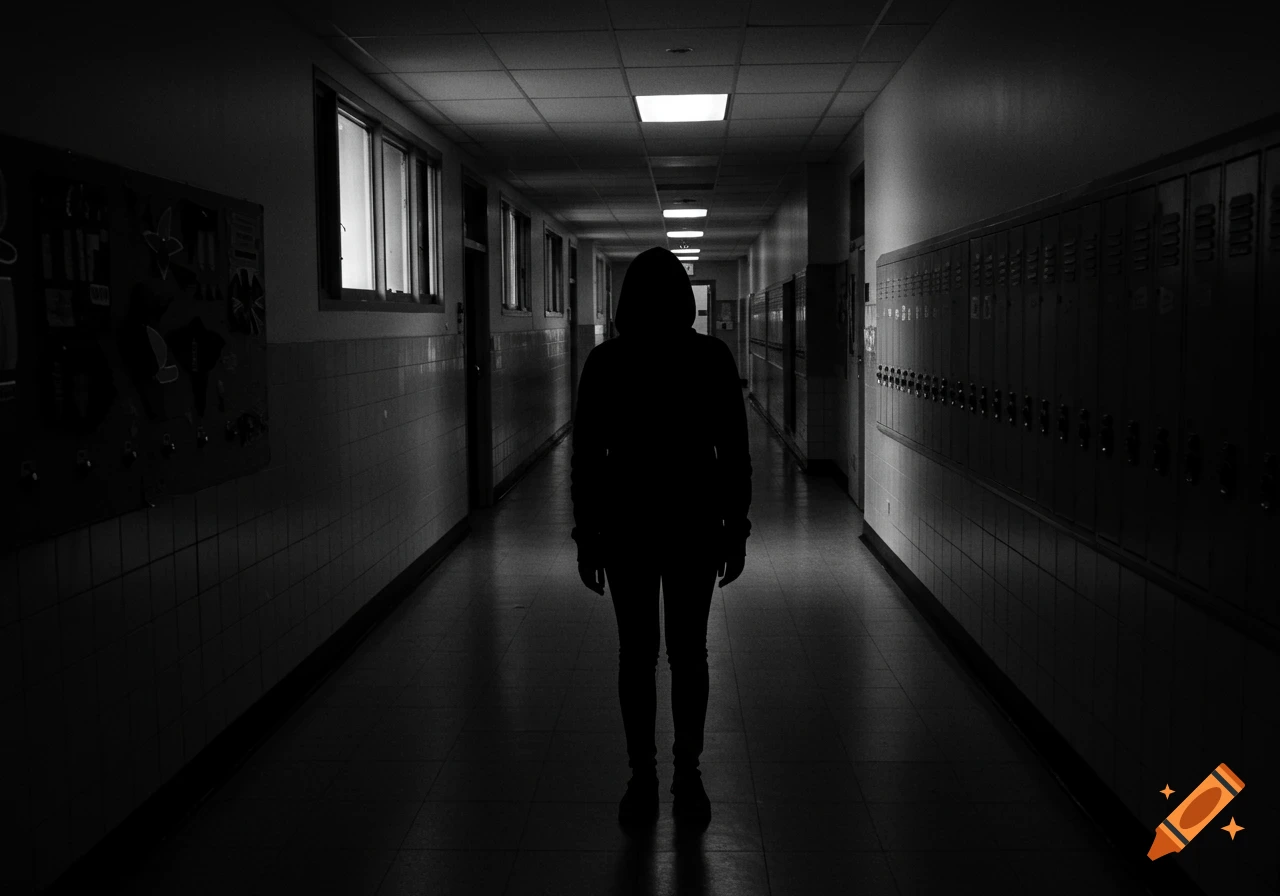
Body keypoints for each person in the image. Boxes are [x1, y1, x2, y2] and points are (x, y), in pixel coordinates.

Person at [570, 247, 752, 828]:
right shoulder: (712, 358)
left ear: (626, 302)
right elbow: (734, 454)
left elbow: (587, 460)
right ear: (683, 300)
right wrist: (735, 528)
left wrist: (588, 536)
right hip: (694, 527)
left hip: (627, 529)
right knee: (688, 654)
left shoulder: (605, 363)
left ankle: (642, 778)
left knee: (637, 656)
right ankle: (687, 776)